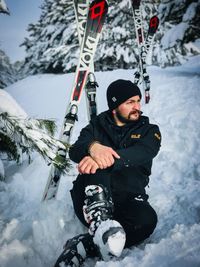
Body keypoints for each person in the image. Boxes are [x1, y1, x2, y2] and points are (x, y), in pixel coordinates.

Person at [54, 79, 161, 266]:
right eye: (130, 102)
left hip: (128, 199)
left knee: (147, 221)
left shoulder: (149, 131)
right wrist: (92, 147)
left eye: (137, 100)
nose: (137, 106)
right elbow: (75, 150)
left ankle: (86, 244)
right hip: (89, 202)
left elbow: (144, 152)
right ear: (114, 106)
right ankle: (100, 223)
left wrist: (104, 158)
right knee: (98, 168)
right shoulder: (96, 126)